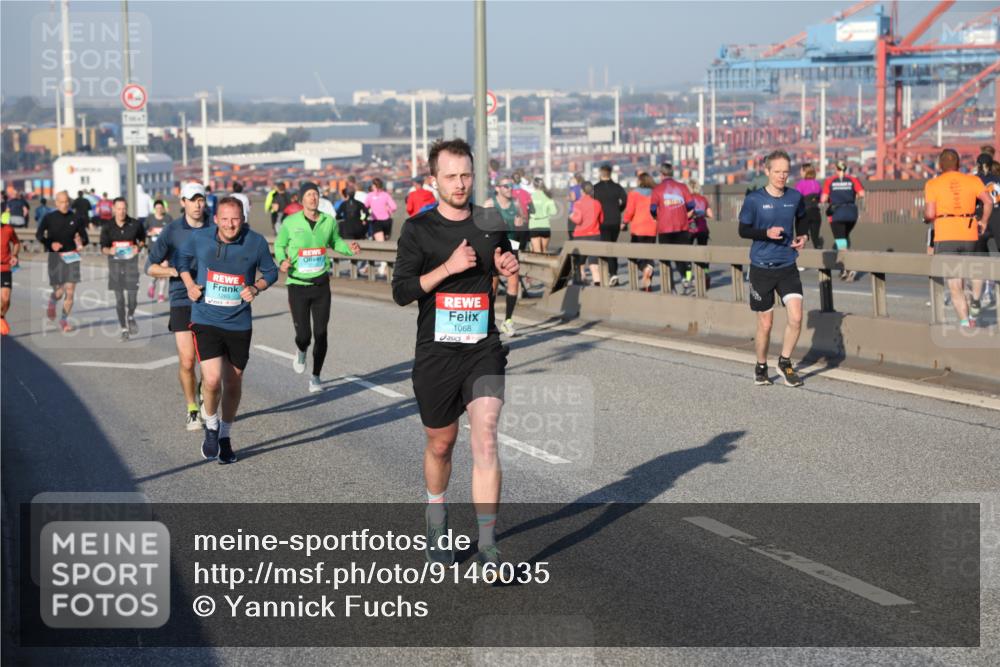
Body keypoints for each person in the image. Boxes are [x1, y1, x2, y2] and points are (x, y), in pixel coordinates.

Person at [391, 138, 519, 573]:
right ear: (434, 180)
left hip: (482, 348)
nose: (460, 184)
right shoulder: (418, 229)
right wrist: (448, 267)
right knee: (441, 444)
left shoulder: (490, 222)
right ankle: (436, 517)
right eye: (451, 176)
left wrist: (507, 269)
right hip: (436, 353)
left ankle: (488, 545)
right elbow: (401, 292)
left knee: (485, 438)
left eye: (466, 175)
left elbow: (504, 263)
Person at [178, 196, 278, 464]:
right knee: (211, 380)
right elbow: (181, 260)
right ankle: (211, 426)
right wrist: (189, 285)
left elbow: (271, 272)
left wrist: (256, 287)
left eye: (235, 219)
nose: (230, 224)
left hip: (238, 322)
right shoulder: (200, 238)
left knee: (233, 382)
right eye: (224, 219)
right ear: (215, 220)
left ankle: (224, 435)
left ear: (243, 219)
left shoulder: (255, 242)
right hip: (206, 319)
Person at [275, 182, 361, 393]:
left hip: (321, 285)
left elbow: (336, 242)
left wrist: (349, 250)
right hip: (298, 285)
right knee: (304, 335)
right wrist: (282, 261)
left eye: (315, 194)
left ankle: (315, 376)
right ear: (301, 199)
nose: (313, 198)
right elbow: (279, 245)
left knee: (321, 333)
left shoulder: (328, 221)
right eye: (308, 194)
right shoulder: (290, 222)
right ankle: (301, 350)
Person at [145, 182, 213, 430]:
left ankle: (205, 391)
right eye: (192, 200)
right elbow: (150, 267)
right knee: (187, 360)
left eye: (200, 199)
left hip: (210, 299)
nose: (197, 204)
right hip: (181, 298)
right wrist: (174, 271)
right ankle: (192, 408)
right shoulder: (172, 231)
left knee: (209, 362)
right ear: (183, 202)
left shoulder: (215, 227)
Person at [737, 150, 807, 387]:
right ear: (767, 171)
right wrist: (765, 233)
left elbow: (803, 218)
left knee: (796, 317)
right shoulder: (754, 200)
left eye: (785, 172)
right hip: (761, 268)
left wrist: (803, 236)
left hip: (787, 265)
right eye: (777, 172)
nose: (782, 176)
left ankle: (785, 363)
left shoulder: (795, 196)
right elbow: (743, 230)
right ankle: (761, 366)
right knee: (765, 325)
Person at [923, 149, 992, 328]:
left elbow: (930, 214)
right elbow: (988, 201)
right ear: (958, 164)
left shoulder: (933, 184)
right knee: (968, 275)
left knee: (955, 284)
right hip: (969, 233)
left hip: (946, 235)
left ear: (940, 165)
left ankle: (965, 322)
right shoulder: (973, 180)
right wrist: (983, 221)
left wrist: (927, 218)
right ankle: (974, 307)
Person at [36, 191, 89, 333]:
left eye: (67, 202)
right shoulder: (49, 218)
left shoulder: (76, 218)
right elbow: (39, 235)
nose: (65, 205)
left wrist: (81, 241)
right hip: (55, 257)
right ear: (56, 203)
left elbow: (85, 238)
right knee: (59, 292)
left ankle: (64, 320)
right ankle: (53, 300)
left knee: (70, 291)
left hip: (72, 257)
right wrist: (50, 244)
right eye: (62, 202)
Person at [484, 175, 526, 336]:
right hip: (495, 248)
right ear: (498, 188)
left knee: (514, 282)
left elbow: (523, 228)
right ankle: (490, 321)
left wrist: (520, 226)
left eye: (511, 186)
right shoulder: (489, 204)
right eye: (506, 186)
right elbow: (482, 229)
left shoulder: (516, 204)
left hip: (512, 246)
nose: (509, 189)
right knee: (493, 287)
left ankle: (508, 321)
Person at [100, 197, 146, 341]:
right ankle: (124, 329)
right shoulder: (107, 226)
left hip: (131, 266)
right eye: (119, 209)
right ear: (113, 209)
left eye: (124, 209)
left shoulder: (135, 224)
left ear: (127, 209)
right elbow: (103, 248)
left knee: (132, 300)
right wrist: (110, 251)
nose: (121, 212)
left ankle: (130, 315)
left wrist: (138, 247)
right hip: (115, 267)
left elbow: (142, 239)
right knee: (120, 300)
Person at [651, 162, 694, 290]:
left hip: (664, 228)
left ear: (661, 174)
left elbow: (652, 208)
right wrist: (683, 211)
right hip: (682, 227)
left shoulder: (657, 189)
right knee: (684, 256)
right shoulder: (682, 187)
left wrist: (656, 216)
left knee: (666, 259)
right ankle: (686, 277)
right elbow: (691, 205)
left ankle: (670, 286)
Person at [821, 160, 865, 281]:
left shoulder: (830, 181)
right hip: (851, 214)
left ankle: (848, 267)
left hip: (837, 214)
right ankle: (844, 269)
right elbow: (862, 194)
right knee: (844, 238)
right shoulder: (853, 179)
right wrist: (851, 196)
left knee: (841, 242)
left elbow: (823, 199)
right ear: (845, 169)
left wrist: (832, 197)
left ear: (836, 169)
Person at [593, 164, 628, 286]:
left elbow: (592, 205)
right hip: (615, 220)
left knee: (606, 247)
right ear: (610, 173)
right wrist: (619, 209)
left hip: (602, 221)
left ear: (600, 173)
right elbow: (625, 200)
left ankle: (611, 274)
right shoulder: (617, 187)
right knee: (612, 245)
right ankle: (613, 273)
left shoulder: (595, 188)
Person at [623, 172, 657, 291]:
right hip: (652, 228)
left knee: (633, 255)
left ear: (640, 181)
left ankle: (644, 268)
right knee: (649, 256)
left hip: (638, 229)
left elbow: (630, 211)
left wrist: (624, 222)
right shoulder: (655, 193)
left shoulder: (633, 194)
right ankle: (648, 286)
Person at [569, 181, 604, 285]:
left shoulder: (578, 203)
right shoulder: (597, 203)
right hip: (595, 235)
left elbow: (578, 220)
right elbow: (601, 220)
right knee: (594, 264)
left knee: (580, 264)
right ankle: (597, 284)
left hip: (580, 236)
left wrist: (571, 216)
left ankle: (581, 283)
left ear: (582, 191)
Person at [367, 178, 398, 277]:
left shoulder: (370, 195)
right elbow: (394, 207)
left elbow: (365, 206)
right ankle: (385, 266)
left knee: (381, 244)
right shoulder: (386, 195)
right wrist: (388, 210)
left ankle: (383, 266)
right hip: (387, 221)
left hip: (376, 221)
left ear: (374, 186)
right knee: (385, 243)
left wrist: (370, 211)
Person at [687, 180, 714, 289]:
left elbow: (688, 214)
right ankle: (706, 274)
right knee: (703, 254)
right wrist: (701, 214)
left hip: (690, 229)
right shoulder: (703, 199)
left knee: (687, 254)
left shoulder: (687, 199)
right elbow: (710, 215)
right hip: (703, 229)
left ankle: (688, 278)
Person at [145, 199, 171, 301]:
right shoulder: (150, 219)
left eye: (161, 208)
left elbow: (173, 231)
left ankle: (161, 294)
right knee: (155, 272)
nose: (159, 210)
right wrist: (149, 233)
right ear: (154, 209)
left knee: (163, 272)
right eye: (157, 208)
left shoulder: (168, 218)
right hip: (153, 250)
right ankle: (152, 284)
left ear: (163, 208)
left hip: (165, 250)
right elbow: (143, 231)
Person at [794, 164, 823, 251]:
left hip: (804, 213)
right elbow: (821, 199)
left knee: (800, 236)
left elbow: (796, 198)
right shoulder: (818, 184)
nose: (800, 172)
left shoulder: (800, 184)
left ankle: (800, 255)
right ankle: (819, 253)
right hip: (816, 212)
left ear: (805, 172)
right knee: (815, 237)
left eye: (801, 170)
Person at [1, 220, 21, 336]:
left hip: (4, 267)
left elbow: (16, 243)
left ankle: (1, 316)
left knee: (6, 298)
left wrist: (14, 255)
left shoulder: (8, 229)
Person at [528, 176, 556, 254]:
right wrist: (546, 214)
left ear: (534, 185)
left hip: (534, 225)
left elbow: (527, 210)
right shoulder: (548, 196)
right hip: (545, 225)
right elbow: (554, 211)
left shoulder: (530, 196)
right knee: (544, 251)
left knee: (537, 252)